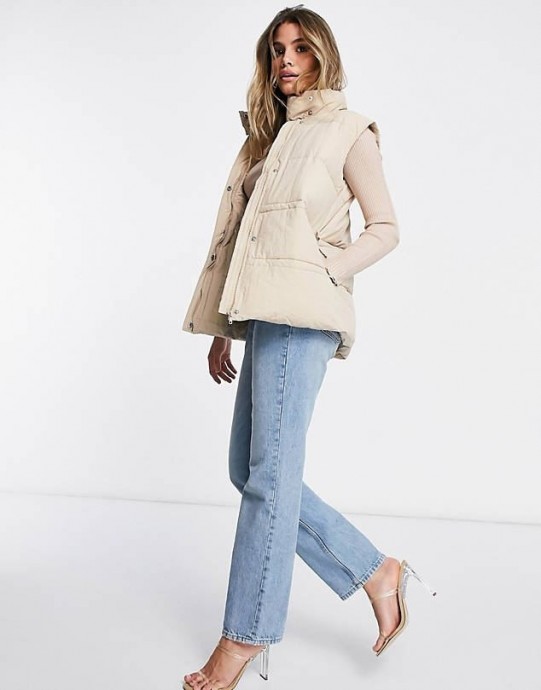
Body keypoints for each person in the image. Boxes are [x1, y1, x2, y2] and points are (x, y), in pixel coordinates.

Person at [181, 6, 435, 690]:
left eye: (299, 47)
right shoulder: (267, 138)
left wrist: (329, 270)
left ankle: (244, 636)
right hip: (263, 313)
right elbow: (239, 241)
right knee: (248, 467)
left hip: (302, 317)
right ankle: (375, 570)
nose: (286, 59)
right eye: (276, 49)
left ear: (323, 55)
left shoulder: (348, 132)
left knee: (268, 476)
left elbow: (384, 227)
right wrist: (223, 327)